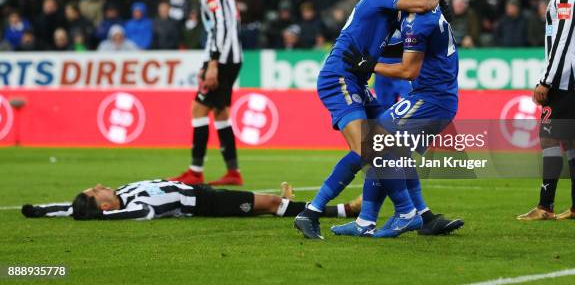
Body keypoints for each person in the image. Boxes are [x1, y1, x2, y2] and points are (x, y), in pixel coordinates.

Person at [293, 0, 441, 240]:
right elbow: (423, 4)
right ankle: (310, 212)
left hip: (356, 81)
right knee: (366, 148)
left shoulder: (385, 4)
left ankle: (421, 215)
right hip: (339, 77)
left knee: (392, 143)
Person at [337, 0, 463, 238]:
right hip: (434, 97)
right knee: (393, 151)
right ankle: (405, 218)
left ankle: (397, 216)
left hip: (431, 99)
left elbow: (408, 70)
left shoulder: (420, 20)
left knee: (377, 142)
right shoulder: (420, 11)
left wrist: (370, 65)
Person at [518, 0, 575, 221]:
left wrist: (545, 81)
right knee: (572, 141)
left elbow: (562, 43)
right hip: (573, 79)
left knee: (548, 138)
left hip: (564, 80)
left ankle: (545, 206)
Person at [169, 0, 244, 186]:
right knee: (220, 112)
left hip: (222, 59)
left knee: (198, 109)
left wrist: (212, 64)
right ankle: (233, 172)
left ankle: (195, 170)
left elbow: (221, 26)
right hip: (225, 57)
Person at [21, 181, 361, 221]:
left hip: (199, 191)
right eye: (96, 194)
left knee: (272, 203)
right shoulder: (136, 207)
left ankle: (292, 204)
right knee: (270, 204)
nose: (98, 186)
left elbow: (69, 209)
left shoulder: (121, 195)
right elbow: (145, 214)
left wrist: (38, 210)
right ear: (106, 207)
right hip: (205, 203)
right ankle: (345, 210)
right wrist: (102, 218)